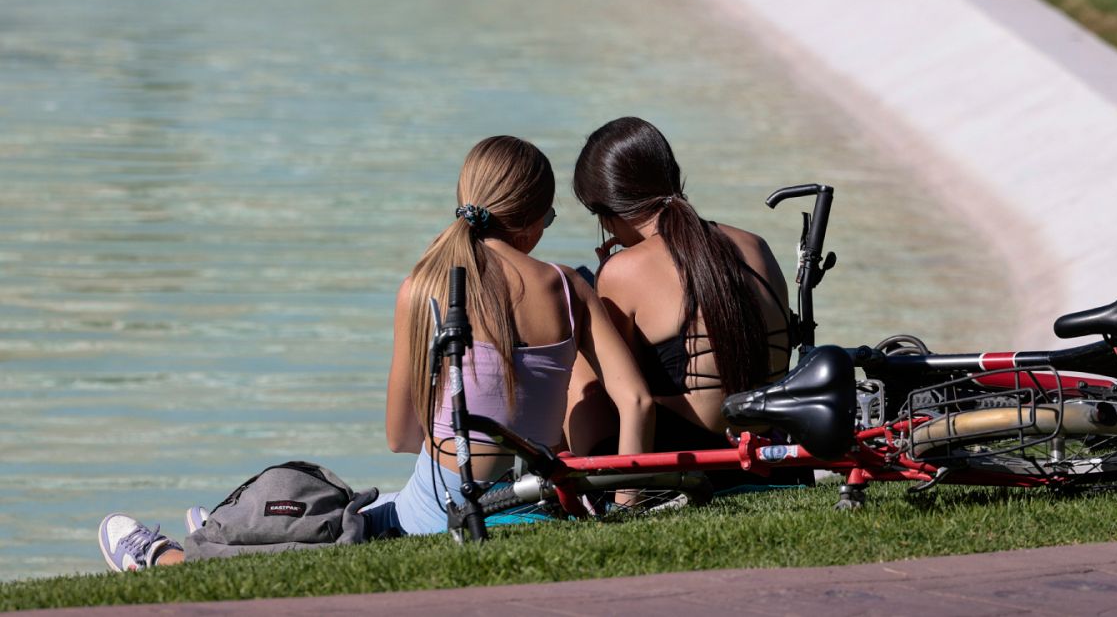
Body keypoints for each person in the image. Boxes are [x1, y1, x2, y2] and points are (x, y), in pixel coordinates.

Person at [96, 135, 654, 571]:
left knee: (327, 513)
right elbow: (637, 400)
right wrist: (628, 509)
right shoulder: (566, 286)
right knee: (356, 508)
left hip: (443, 509)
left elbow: (401, 438)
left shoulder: (424, 285)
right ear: (533, 223)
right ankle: (229, 525)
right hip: (538, 505)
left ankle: (173, 554)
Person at [564, 117, 792, 461]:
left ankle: (585, 493)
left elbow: (622, 388)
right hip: (763, 445)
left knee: (579, 349)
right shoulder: (755, 246)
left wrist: (596, 298)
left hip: (679, 457)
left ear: (606, 210)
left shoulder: (623, 270)